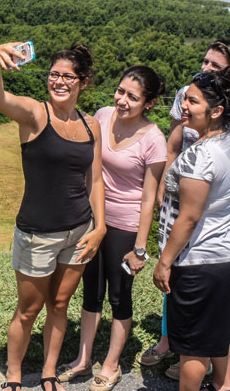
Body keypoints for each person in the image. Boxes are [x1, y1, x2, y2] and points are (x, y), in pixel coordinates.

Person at [143, 39, 230, 391]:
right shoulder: (229, 140)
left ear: (215, 110)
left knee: (193, 349)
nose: (183, 105)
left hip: (201, 256)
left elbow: (190, 218)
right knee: (215, 332)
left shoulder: (201, 156)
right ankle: (224, 385)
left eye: (192, 101)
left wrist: (164, 262)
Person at [0, 43, 107, 391]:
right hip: (37, 233)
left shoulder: (91, 125)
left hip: (79, 231)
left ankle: (49, 372)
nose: (59, 81)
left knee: (59, 304)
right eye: (54, 74)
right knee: (29, 309)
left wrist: (100, 227)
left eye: (68, 76)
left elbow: (95, 179)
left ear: (83, 82)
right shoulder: (35, 114)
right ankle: (13, 375)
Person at [57, 66, 167, 391]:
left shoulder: (154, 139)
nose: (122, 100)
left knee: (119, 295)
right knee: (91, 289)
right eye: (120, 91)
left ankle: (111, 364)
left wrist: (140, 248)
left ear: (148, 103)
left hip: (126, 226)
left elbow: (148, 199)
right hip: (94, 219)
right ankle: (83, 359)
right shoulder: (103, 116)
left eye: (132, 97)